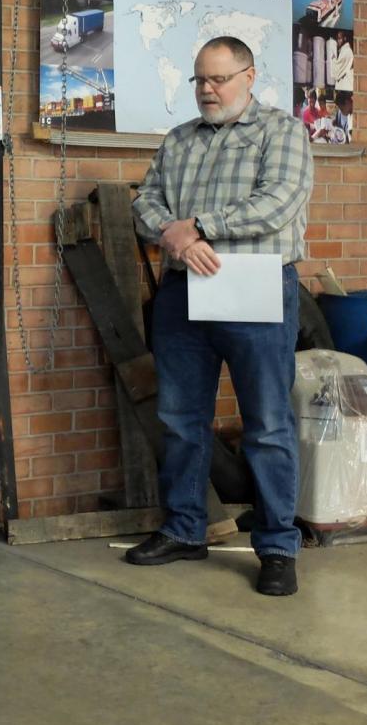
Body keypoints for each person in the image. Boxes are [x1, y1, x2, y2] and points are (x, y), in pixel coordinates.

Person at [129, 36, 313, 597]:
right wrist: (175, 237)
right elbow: (145, 202)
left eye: (219, 80)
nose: (207, 90)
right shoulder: (179, 140)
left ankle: (279, 544)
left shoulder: (282, 131)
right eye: (199, 80)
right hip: (185, 291)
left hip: (254, 288)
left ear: (249, 76)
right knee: (181, 418)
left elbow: (278, 200)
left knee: (267, 422)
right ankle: (186, 528)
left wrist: (199, 226)